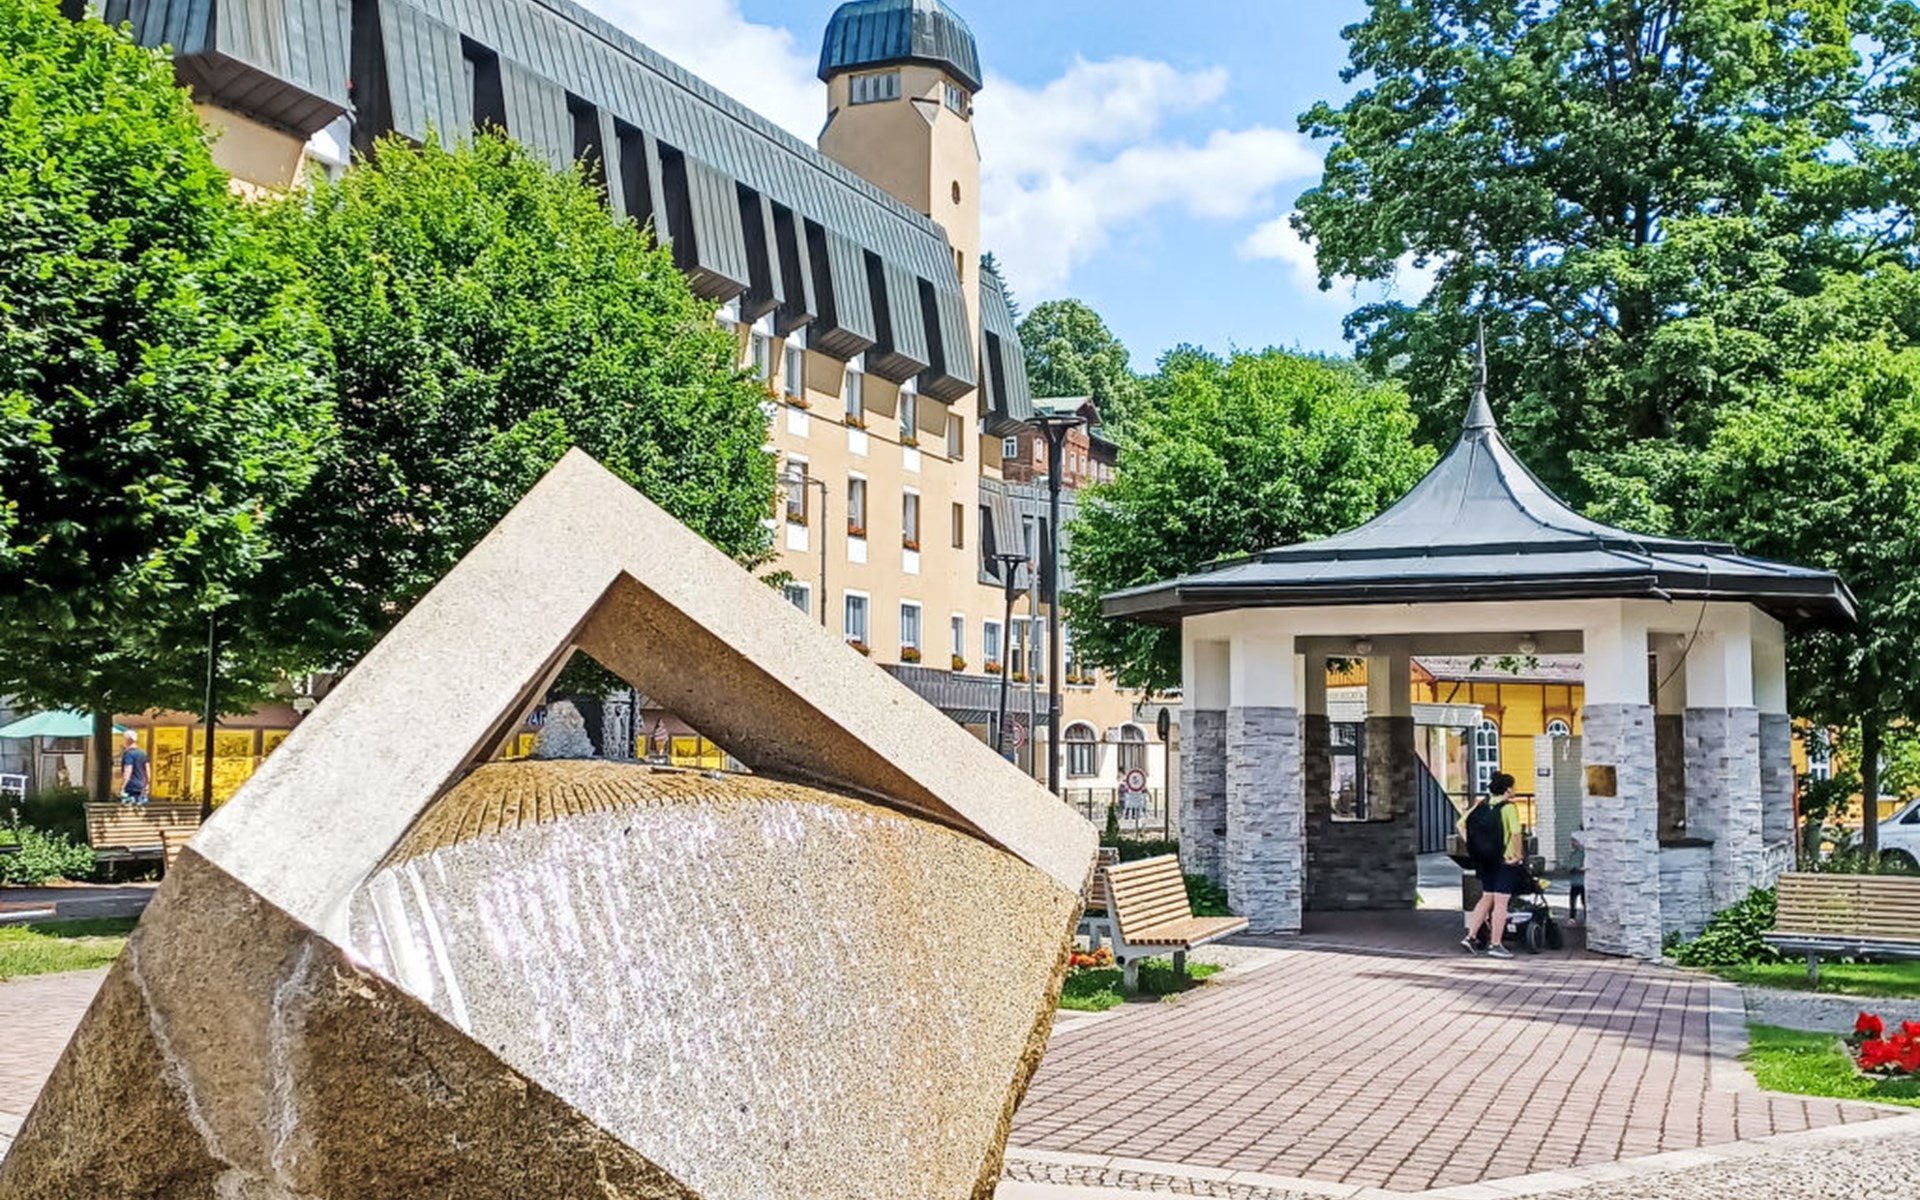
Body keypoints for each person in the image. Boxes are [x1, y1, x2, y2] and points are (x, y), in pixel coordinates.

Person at [1458, 771, 1525, 958]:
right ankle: (1495, 944)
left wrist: (1473, 845)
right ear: (1508, 789)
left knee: (1486, 897)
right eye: (1514, 786)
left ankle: (1471, 936)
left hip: (1484, 860)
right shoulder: (1509, 808)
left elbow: (1460, 824)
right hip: (1504, 860)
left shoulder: (1482, 804)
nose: (1516, 789)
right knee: (1501, 901)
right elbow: (1516, 833)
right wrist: (1518, 855)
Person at [119, 730, 150, 806]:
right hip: (141, 786)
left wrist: (122, 787)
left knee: (127, 808)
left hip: (130, 786)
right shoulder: (143, 753)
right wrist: (147, 784)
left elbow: (128, 770)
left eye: (124, 739)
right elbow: (147, 770)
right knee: (139, 807)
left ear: (128, 740)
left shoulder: (128, 754)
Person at [1566, 825, 1587, 923]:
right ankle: (1572, 917)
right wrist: (1570, 868)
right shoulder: (1572, 853)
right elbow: (1568, 864)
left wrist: (1580, 869)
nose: (1572, 843)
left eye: (1574, 841)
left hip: (1582, 881)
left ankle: (1586, 916)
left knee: (1584, 900)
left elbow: (1585, 865)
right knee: (1572, 901)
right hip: (1574, 881)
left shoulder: (1583, 853)